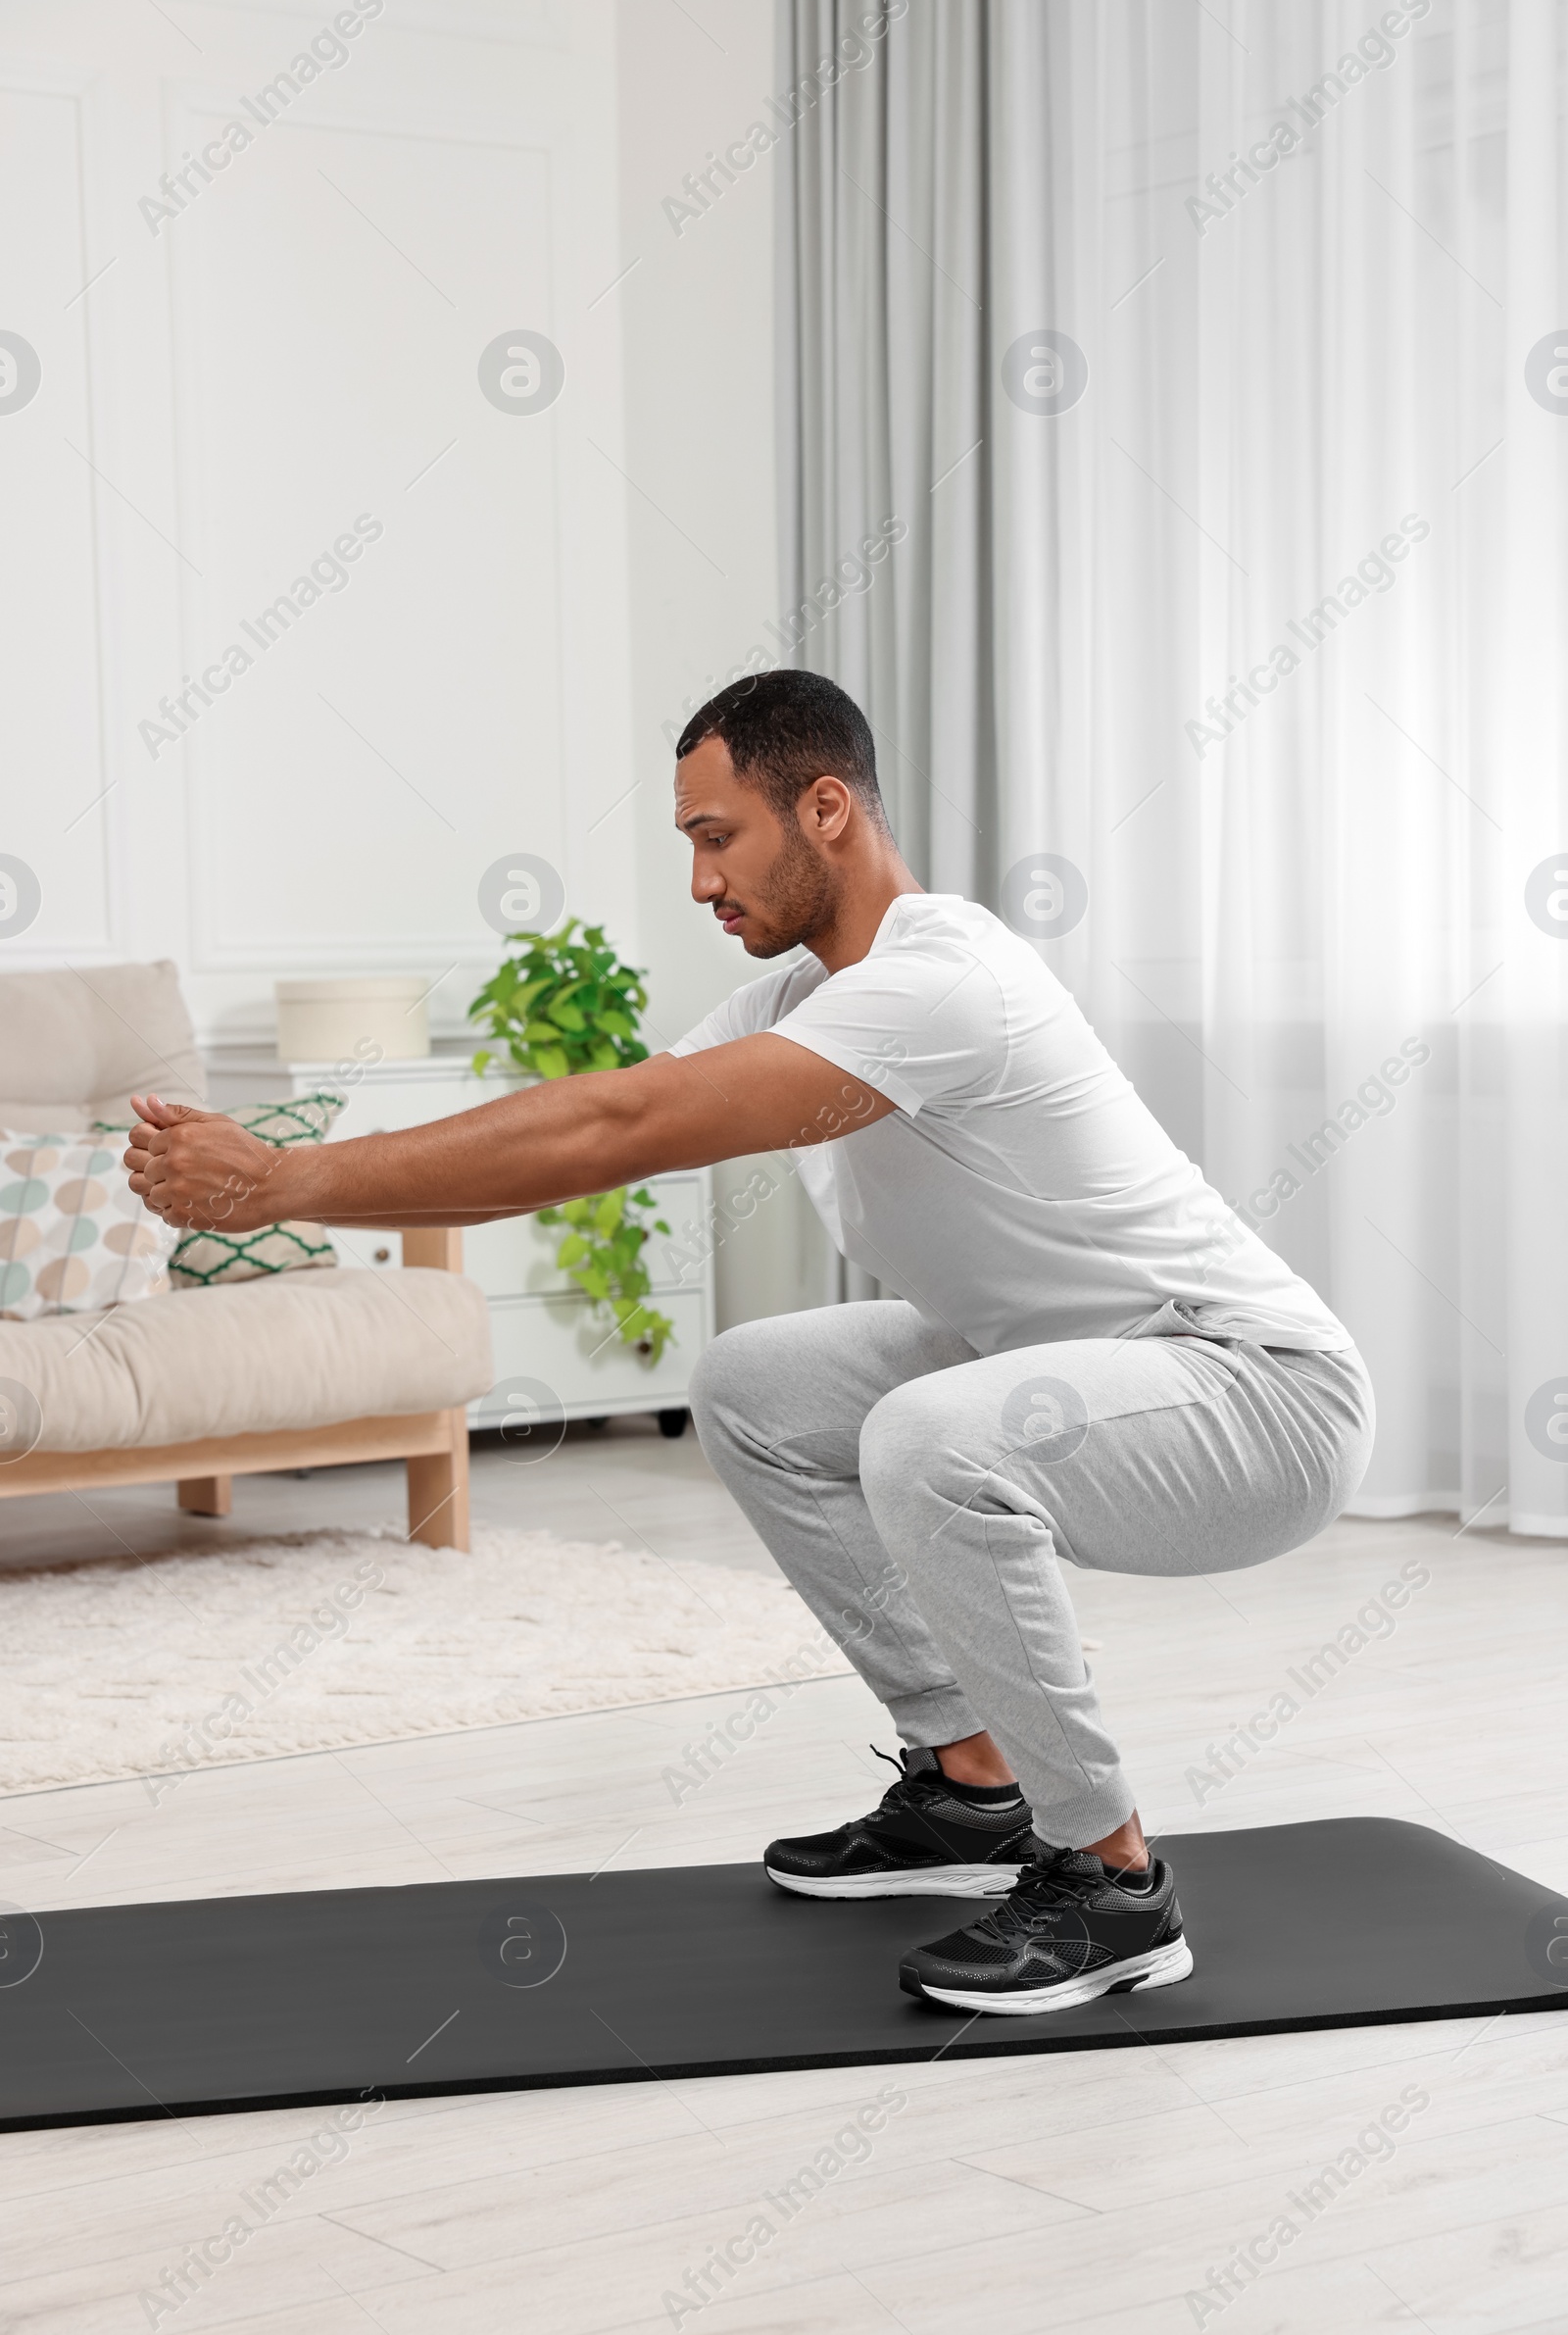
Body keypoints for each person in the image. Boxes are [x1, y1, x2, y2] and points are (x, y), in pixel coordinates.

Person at [125, 669, 1373, 2016]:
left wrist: (288, 1182)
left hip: (1256, 1397)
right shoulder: (798, 1003)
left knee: (926, 1439)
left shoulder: (943, 980)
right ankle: (970, 1784)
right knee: (756, 1388)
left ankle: (1112, 1884)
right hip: (1058, 1370)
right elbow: (590, 1138)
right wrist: (291, 1183)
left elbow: (615, 1129)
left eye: (716, 835)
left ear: (823, 808)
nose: (701, 877)